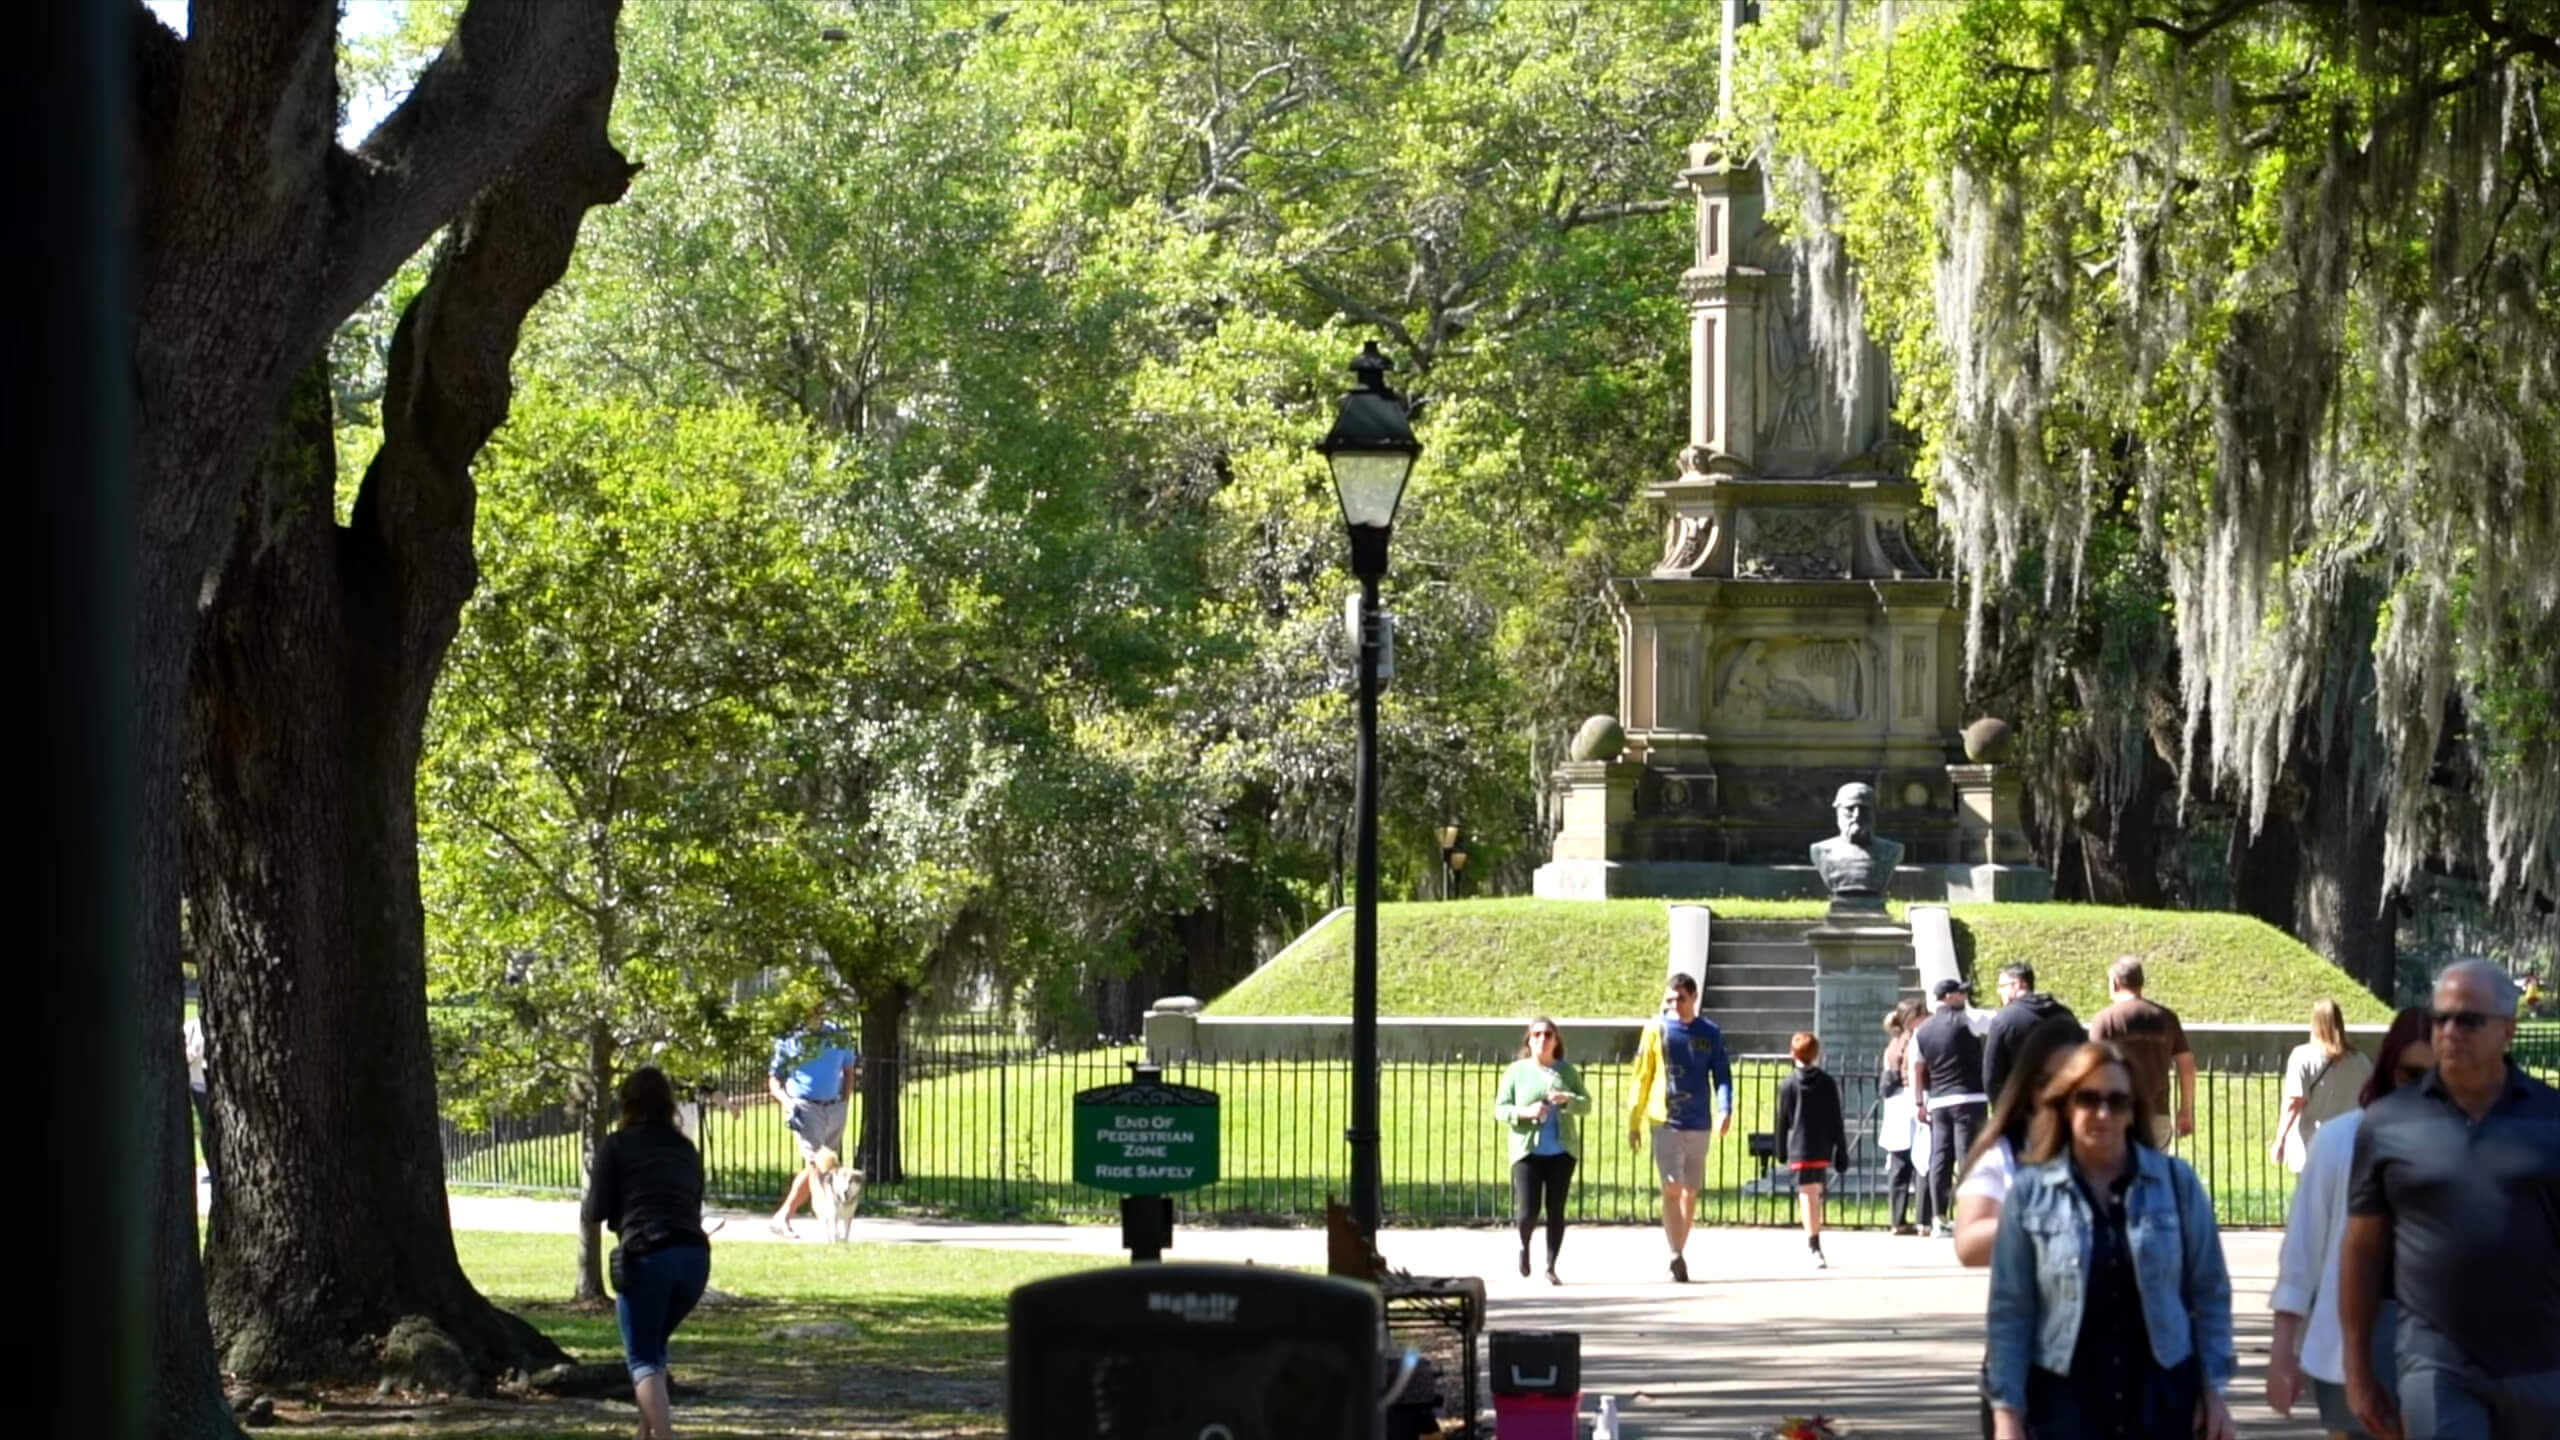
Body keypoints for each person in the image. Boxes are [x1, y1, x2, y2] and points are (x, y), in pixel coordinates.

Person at [2341, 960, 2560, 1440]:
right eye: (2441, 1019)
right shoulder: (2387, 1123)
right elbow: (2361, 1249)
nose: (2450, 1032)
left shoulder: (2552, 1120)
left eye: (2468, 1020)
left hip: (2541, 1366)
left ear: (2508, 1030)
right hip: (2436, 1365)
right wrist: (2356, 1370)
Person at [1984, 1041, 2238, 1440]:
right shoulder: (2031, 1193)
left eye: (2116, 1101)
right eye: (2088, 1099)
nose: (2102, 1113)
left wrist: (2214, 1392)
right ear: (2066, 1105)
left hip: (2161, 1398)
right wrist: (2007, 1415)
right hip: (2065, 1401)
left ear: (2132, 1109)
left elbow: (2209, 1293)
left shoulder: (2175, 1184)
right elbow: (2011, 1311)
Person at [2267, 1007, 2435, 1440]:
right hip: (2349, 1346)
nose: (2424, 1089)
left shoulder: (2472, 1146)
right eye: (2410, 1073)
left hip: (2442, 1351)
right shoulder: (2340, 1141)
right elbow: (2303, 1251)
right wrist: (2283, 1351)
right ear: (2388, 1070)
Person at [583, 1066, 712, 1440]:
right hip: (693, 1258)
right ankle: (645, 1434)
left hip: (647, 1255)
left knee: (641, 1358)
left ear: (626, 1103)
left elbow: (596, 1210)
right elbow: (692, 1203)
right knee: (654, 1349)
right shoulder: (686, 1149)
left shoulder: (618, 1145)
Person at [1953, 1013, 2093, 1268]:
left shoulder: (2142, 1161)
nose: (2062, 1094)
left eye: (2078, 1083)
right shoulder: (2006, 1152)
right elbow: (1969, 1245)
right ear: (2028, 1087)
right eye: (2048, 1082)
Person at [1625, 971, 1734, 1283]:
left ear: (1693, 998)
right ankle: (1676, 1253)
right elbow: (1642, 1075)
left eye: (1680, 999)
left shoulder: (1709, 1032)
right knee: (1672, 1187)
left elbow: (1722, 1074)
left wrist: (1725, 1107)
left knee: (1690, 1189)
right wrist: (1634, 1118)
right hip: (1665, 1119)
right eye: (1670, 999)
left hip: (1698, 1120)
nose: (1674, 1004)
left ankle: (1680, 1248)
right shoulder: (1655, 1030)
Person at [1493, 1017, 1590, 1285]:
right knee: (1529, 1210)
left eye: (1548, 1035)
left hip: (1562, 1150)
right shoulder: (1516, 1071)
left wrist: (1568, 1099)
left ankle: (1551, 1266)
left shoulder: (1566, 1072)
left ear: (1556, 1041)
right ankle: (1524, 1246)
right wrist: (1526, 1112)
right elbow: (1500, 1108)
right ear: (1529, 1040)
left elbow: (1586, 1104)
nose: (1542, 1040)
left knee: (1555, 1208)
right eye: (1536, 1035)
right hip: (1528, 1151)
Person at [767, 1007, 860, 1238]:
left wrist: (844, 1100)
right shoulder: (791, 1039)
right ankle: (824, 1222)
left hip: (834, 1106)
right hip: (805, 1106)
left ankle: (782, 1217)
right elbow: (774, 1080)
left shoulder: (838, 1035)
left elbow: (849, 1070)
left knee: (824, 1164)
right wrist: (788, 1103)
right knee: (817, 1164)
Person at [2087, 956, 2196, 1146]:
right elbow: (2186, 1064)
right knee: (2153, 1173)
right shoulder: (2166, 1017)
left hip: (2118, 1113)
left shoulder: (2105, 1020)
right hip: (2158, 1113)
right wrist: (2186, 1109)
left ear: (2115, 983)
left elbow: (2091, 1068)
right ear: (2140, 982)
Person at [1911, 976, 1989, 1239]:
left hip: (1939, 1102)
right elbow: (1997, 1021)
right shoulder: (1968, 1019)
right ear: (1947, 998)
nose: (1964, 997)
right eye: (1959, 993)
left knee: (1940, 1160)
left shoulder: (1921, 1031)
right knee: (1968, 1157)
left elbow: (1916, 1068)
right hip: (1970, 1098)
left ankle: (1939, 1218)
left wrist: (1919, 1102)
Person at [2272, 998, 2374, 1174]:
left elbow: (2294, 1104)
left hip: (2313, 1146)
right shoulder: (2361, 1061)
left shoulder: (2302, 1057)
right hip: (2349, 1147)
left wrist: (2280, 1139)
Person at [1775, 1031, 1846, 1269]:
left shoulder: (1788, 1084)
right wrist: (1840, 1148)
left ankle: (1813, 1243)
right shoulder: (1827, 1082)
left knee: (1807, 1195)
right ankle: (1815, 1239)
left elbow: (1782, 1120)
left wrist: (1780, 1148)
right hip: (1821, 1146)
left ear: (1791, 1054)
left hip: (1798, 1146)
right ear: (1817, 1054)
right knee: (1815, 1194)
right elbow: (1836, 1118)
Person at [1983, 962, 2078, 1105]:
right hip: (2060, 1106)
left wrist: (2002, 1113)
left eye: (2002, 986)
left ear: (2018, 984)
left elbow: (1991, 1077)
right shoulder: (2065, 1015)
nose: (1999, 992)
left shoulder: (2004, 1019)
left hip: (2021, 1109)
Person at [1879, 998, 1931, 1235]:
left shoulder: (1893, 1043)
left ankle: (1897, 1220)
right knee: (1923, 1160)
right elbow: (1915, 1071)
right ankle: (1924, 1219)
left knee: (1899, 1164)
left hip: (1895, 1103)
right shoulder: (1916, 1038)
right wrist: (1919, 1101)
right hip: (1916, 1097)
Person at [183, 1013, 217, 1201]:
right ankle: (211, 1166)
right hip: (199, 1086)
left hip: (216, 1086)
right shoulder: (192, 1027)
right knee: (207, 1128)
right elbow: (183, 1055)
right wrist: (192, 1052)